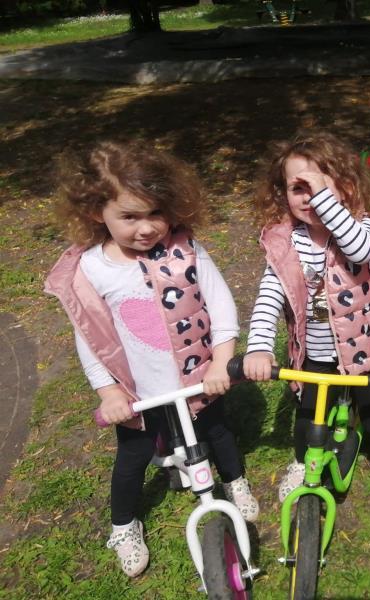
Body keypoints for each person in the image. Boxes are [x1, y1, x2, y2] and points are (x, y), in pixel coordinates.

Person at [44, 141, 259, 578]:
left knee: (218, 433)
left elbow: (220, 306)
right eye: (129, 216)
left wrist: (222, 362)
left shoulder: (185, 249)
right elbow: (92, 338)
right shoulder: (92, 270)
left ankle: (235, 481)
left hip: (199, 378)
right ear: (96, 211)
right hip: (139, 394)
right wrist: (109, 392)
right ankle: (123, 525)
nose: (146, 228)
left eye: (155, 213)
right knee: (132, 458)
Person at [243, 131, 370, 507]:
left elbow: (360, 251)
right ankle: (303, 460)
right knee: (308, 415)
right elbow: (270, 294)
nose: (309, 198)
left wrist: (325, 199)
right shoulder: (286, 242)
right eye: (298, 188)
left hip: (363, 347)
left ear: (347, 187)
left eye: (317, 186)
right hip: (315, 353)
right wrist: (259, 346)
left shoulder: (361, 226)